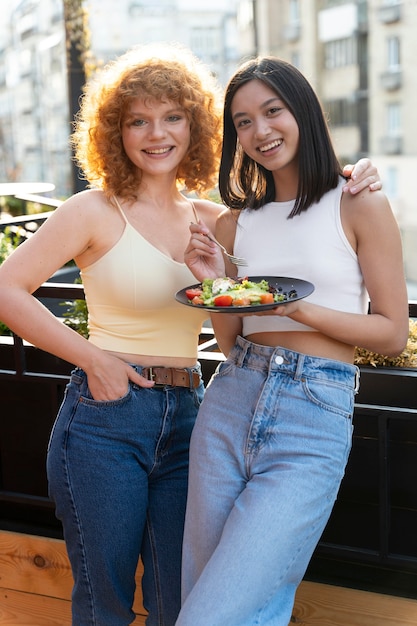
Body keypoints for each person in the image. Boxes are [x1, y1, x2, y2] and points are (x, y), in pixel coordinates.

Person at [0, 40, 380, 625]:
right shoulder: (91, 210)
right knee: (104, 603)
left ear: (198, 127)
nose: (157, 135)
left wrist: (356, 172)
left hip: (194, 418)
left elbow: (239, 328)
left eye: (173, 117)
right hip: (106, 417)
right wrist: (94, 361)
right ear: (114, 133)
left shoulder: (216, 221)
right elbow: (6, 288)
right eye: (138, 121)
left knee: (180, 603)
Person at [177, 56, 409, 626]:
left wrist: (296, 307)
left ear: (302, 110)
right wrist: (215, 285)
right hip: (231, 401)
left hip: (313, 414)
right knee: (220, 596)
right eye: (244, 122)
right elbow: (232, 343)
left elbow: (393, 330)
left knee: (215, 613)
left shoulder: (358, 201)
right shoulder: (236, 225)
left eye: (272, 111)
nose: (260, 131)